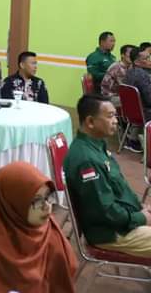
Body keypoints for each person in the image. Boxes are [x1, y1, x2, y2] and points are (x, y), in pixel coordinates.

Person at [0, 161, 77, 293]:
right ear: (13, 203)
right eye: (37, 201)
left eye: (47, 197)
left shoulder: (50, 233)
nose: (47, 206)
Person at [64, 94, 151, 257]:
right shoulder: (87, 160)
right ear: (90, 122)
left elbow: (119, 189)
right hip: (112, 233)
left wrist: (140, 209)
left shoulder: (97, 145)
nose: (116, 121)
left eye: (115, 116)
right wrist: (141, 218)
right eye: (110, 116)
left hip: (123, 220)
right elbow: (105, 211)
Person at [123, 46, 151, 152]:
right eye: (146, 59)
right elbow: (149, 100)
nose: (149, 60)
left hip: (133, 112)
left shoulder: (130, 71)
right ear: (137, 62)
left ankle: (134, 139)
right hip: (145, 112)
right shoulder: (142, 75)